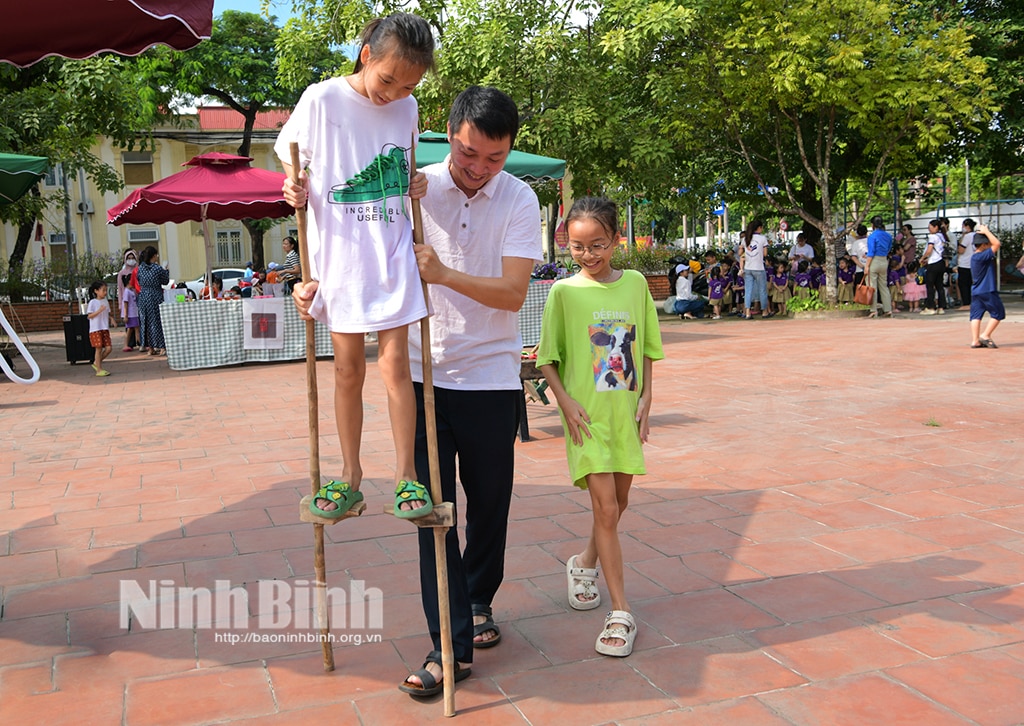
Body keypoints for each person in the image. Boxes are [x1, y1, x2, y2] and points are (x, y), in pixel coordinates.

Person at [277, 13, 435, 527]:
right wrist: (292, 185)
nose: (395, 93)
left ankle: (407, 475)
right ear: (366, 54)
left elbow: (406, 166)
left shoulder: (407, 106)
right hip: (340, 258)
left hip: (390, 250)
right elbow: (289, 156)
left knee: (397, 368)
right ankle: (349, 478)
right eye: (388, 79)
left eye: (408, 85)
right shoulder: (321, 99)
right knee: (348, 370)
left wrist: (416, 184)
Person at [536, 196, 664, 657]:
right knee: (606, 509)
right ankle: (621, 611)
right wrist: (565, 403)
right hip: (586, 420)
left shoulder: (634, 285)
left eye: (598, 245)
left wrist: (649, 394)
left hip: (624, 417)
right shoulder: (563, 293)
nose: (588, 255)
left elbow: (647, 345)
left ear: (615, 240)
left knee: (619, 503)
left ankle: (585, 561)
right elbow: (546, 358)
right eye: (577, 247)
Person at [968, 224, 1004, 348]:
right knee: (998, 313)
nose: (989, 246)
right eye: (987, 244)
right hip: (987, 290)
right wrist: (987, 231)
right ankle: (985, 335)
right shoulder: (983, 256)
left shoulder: (974, 257)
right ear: (983, 245)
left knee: (975, 315)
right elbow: (997, 244)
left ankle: (975, 341)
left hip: (976, 291)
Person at [136, 245, 169, 355]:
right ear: (154, 256)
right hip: (155, 295)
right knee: (158, 321)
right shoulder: (157, 268)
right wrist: (166, 271)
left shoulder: (140, 268)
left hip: (143, 296)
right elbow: (165, 281)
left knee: (145, 322)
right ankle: (162, 347)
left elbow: (138, 279)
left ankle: (150, 347)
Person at [864, 215, 894, 318]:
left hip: (874, 261)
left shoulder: (872, 236)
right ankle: (888, 309)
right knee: (884, 286)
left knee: (873, 286)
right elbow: (889, 248)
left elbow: (871, 252)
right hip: (884, 260)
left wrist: (866, 266)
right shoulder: (888, 236)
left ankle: (873, 310)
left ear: (873, 225)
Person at [739, 219, 769, 319]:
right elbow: (765, 254)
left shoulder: (745, 239)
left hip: (748, 267)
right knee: (762, 290)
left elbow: (740, 253)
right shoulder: (762, 239)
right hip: (759, 267)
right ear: (759, 228)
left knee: (748, 290)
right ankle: (764, 311)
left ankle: (747, 312)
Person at [86, 281, 113, 377]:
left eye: (106, 290)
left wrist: (111, 319)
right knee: (98, 349)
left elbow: (108, 313)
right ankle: (99, 369)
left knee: (109, 348)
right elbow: (89, 316)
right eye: (103, 290)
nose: (105, 292)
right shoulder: (92, 302)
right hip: (95, 329)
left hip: (104, 328)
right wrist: (99, 311)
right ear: (96, 291)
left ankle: (96, 363)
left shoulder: (105, 301)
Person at [920, 219, 947, 314]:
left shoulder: (932, 237)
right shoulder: (942, 236)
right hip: (941, 262)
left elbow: (929, 250)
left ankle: (930, 307)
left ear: (935, 227)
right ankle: (941, 307)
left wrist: (923, 258)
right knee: (940, 285)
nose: (929, 229)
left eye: (930, 227)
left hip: (933, 263)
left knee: (930, 285)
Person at [115, 249, 140, 350]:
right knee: (130, 327)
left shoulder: (138, 270)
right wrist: (121, 305)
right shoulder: (122, 273)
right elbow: (120, 289)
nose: (131, 260)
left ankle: (139, 342)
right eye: (128, 258)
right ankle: (129, 344)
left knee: (137, 326)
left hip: (136, 303)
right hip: (129, 307)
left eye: (132, 258)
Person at [956, 218, 977, 309]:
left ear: (967, 227)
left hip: (965, 263)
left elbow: (961, 250)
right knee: (972, 283)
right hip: (974, 263)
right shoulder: (976, 235)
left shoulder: (967, 237)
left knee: (964, 284)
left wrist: (961, 238)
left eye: (963, 226)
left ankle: (966, 303)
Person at [119, 273, 140, 352]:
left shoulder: (131, 291)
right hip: (130, 314)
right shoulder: (127, 292)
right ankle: (126, 344)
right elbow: (125, 304)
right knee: (130, 329)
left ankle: (140, 343)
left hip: (134, 313)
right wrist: (126, 315)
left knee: (137, 328)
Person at [849, 224, 868, 288]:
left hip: (860, 269)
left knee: (860, 289)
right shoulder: (871, 241)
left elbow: (853, 257)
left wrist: (862, 267)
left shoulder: (856, 243)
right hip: (872, 268)